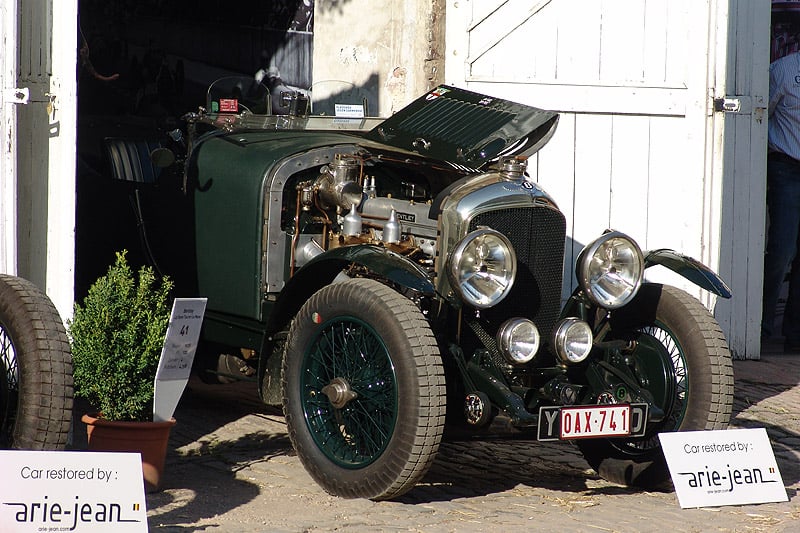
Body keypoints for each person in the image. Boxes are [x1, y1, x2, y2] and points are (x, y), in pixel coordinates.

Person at [763, 50, 800, 352]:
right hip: (786, 165)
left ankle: (795, 332)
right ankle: (760, 326)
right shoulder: (784, 70)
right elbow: (762, 113)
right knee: (782, 249)